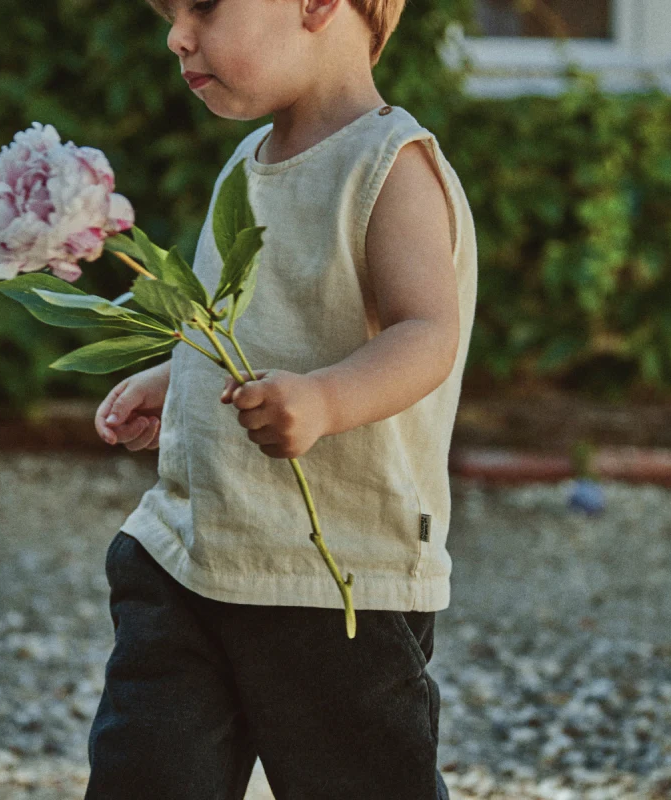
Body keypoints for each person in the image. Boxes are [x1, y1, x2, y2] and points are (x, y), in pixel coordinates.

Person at [85, 0, 478, 795]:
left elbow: (427, 333)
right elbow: (246, 326)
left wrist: (325, 402)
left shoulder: (388, 167)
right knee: (146, 775)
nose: (176, 36)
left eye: (203, 5)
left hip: (333, 580)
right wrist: (180, 377)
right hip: (191, 556)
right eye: (168, 13)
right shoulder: (248, 163)